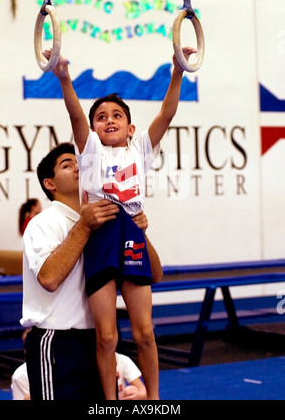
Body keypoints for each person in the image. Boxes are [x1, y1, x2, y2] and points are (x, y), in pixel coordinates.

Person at [45, 46, 195, 400]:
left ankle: (154, 399)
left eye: (116, 116)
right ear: (94, 129)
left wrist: (177, 73)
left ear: (130, 128)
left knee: (144, 332)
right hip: (100, 236)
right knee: (107, 336)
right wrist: (65, 78)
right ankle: (110, 403)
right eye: (101, 116)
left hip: (131, 233)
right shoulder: (90, 151)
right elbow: (75, 115)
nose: (108, 120)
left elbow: (166, 113)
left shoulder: (140, 149)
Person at [20, 142, 162, 401]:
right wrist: (84, 225)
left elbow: (153, 275)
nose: (77, 167)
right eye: (67, 165)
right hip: (57, 342)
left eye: (78, 162)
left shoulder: (107, 219)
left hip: (98, 343)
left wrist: (140, 231)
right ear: (49, 184)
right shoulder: (43, 223)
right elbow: (50, 278)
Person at [11, 352, 146, 401]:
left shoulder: (122, 360)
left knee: (132, 390)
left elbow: (143, 392)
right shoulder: (21, 375)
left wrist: (136, 395)